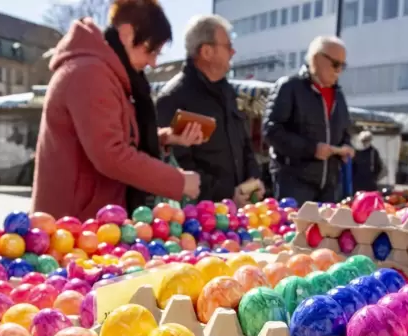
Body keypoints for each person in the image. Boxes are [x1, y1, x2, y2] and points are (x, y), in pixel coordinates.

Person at [32, 0, 203, 220]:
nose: (153, 63)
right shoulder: (90, 73)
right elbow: (110, 154)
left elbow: (116, 138)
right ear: (128, 34)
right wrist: (179, 182)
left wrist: (165, 138)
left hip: (90, 221)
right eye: (151, 51)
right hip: (73, 226)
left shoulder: (107, 73)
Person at [155, 14, 263, 205]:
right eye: (228, 46)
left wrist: (254, 180)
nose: (233, 52)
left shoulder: (227, 91)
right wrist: (227, 194)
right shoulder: (173, 97)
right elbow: (180, 165)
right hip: (200, 217)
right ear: (206, 51)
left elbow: (245, 144)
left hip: (240, 208)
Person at [263, 35, 354, 204]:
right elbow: (271, 131)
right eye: (335, 64)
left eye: (343, 66)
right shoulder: (289, 86)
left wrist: (347, 146)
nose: (339, 71)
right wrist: (312, 149)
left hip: (329, 186)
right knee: (294, 229)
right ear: (316, 59)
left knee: (327, 231)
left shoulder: (339, 96)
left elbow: (345, 132)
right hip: (294, 182)